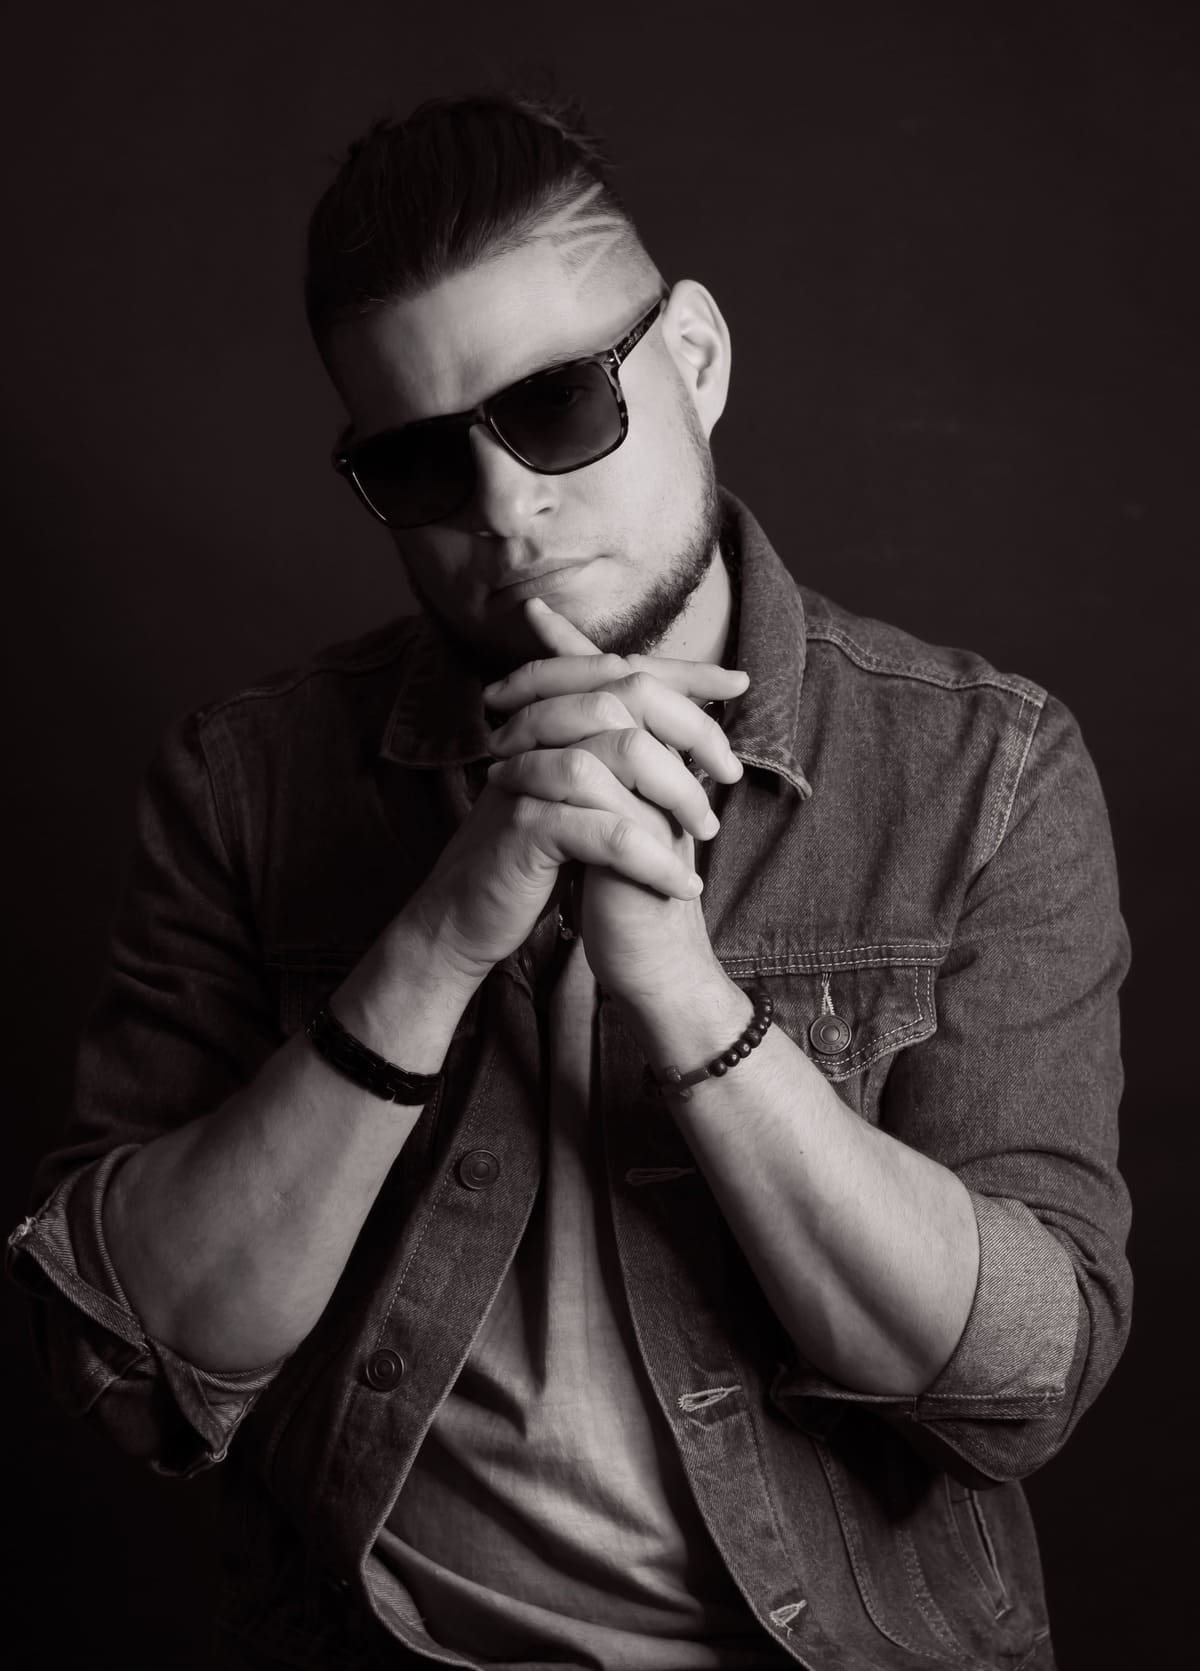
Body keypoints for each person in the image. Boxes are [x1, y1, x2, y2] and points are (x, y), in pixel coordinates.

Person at [8, 91, 1132, 1671]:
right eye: (418, 461)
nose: (504, 509)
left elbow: (1018, 1387)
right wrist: (444, 932)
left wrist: (681, 991)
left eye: (553, 407)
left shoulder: (981, 772)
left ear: (696, 361)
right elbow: (131, 1368)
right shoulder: (245, 783)